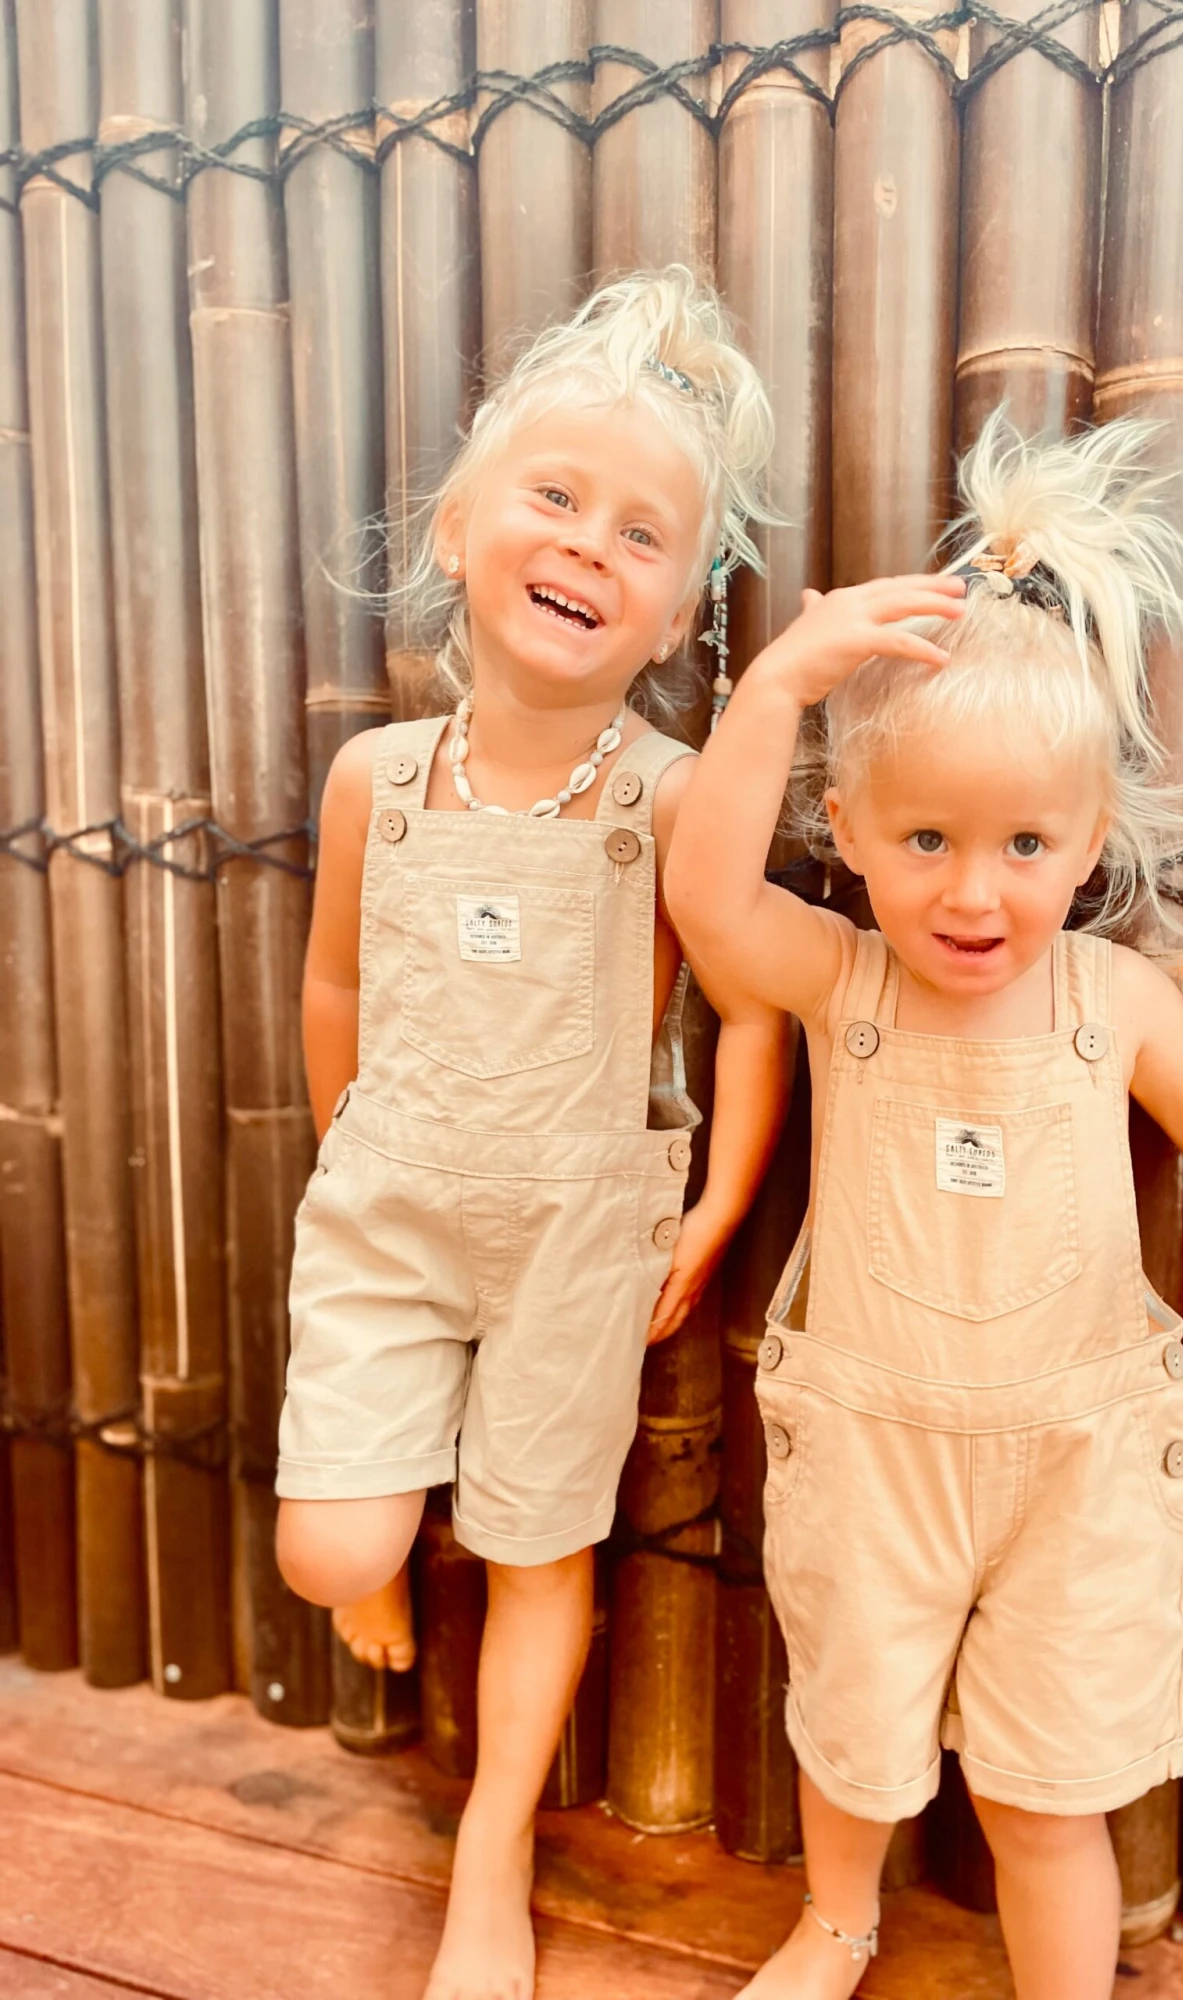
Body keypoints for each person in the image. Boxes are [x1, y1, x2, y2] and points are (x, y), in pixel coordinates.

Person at [664, 412, 1183, 2000]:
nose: (974, 893)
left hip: (1075, 1472)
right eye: (926, 840)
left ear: (1088, 841)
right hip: (874, 1457)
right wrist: (777, 688)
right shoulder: (842, 981)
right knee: (853, 1741)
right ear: (848, 836)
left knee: (1052, 1795)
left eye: (1025, 844)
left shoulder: (1115, 1000)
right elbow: (706, 898)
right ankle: (839, 1922)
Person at [274, 267, 790, 2000]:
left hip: (578, 1236)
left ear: (676, 615)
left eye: (642, 535)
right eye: (555, 497)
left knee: (534, 1546)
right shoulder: (377, 780)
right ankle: (374, 1548)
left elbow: (751, 1008)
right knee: (333, 1543)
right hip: (389, 1208)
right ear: (458, 524)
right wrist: (348, 1152)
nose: (588, 546)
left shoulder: (671, 799)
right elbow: (335, 982)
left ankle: (492, 1850)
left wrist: (715, 1206)